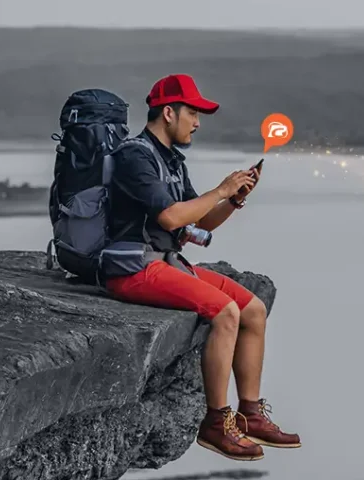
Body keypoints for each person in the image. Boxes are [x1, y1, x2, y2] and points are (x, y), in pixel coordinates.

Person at [104, 73, 300, 461]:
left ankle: (251, 414)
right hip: (133, 268)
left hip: (166, 263)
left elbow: (199, 222)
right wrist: (221, 189)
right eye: (192, 112)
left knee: (253, 310)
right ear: (168, 112)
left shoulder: (171, 160)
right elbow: (170, 218)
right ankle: (215, 423)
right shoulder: (135, 156)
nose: (197, 122)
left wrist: (233, 200)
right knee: (225, 312)